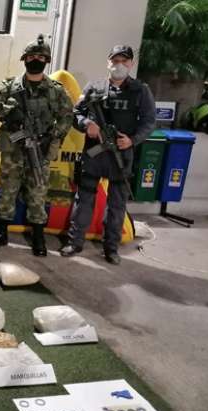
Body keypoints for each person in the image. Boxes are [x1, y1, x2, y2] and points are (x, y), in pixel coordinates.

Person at [60, 45, 155, 264]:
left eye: (124, 61)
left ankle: (111, 248)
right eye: (115, 60)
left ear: (131, 64)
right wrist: (87, 125)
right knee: (83, 200)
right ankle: (75, 243)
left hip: (121, 156)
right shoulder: (95, 86)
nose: (119, 65)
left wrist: (132, 140)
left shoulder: (141, 90)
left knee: (117, 205)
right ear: (108, 62)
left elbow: (149, 122)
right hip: (94, 155)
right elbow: (76, 113)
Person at [0, 35, 74, 256]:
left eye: (41, 57)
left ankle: (38, 237)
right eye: (32, 56)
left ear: (47, 60)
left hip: (40, 149)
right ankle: (1, 234)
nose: (36, 60)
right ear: (24, 59)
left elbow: (67, 116)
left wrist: (52, 138)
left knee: (38, 193)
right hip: (13, 149)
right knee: (7, 190)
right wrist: (9, 110)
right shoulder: (10, 86)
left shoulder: (56, 90)